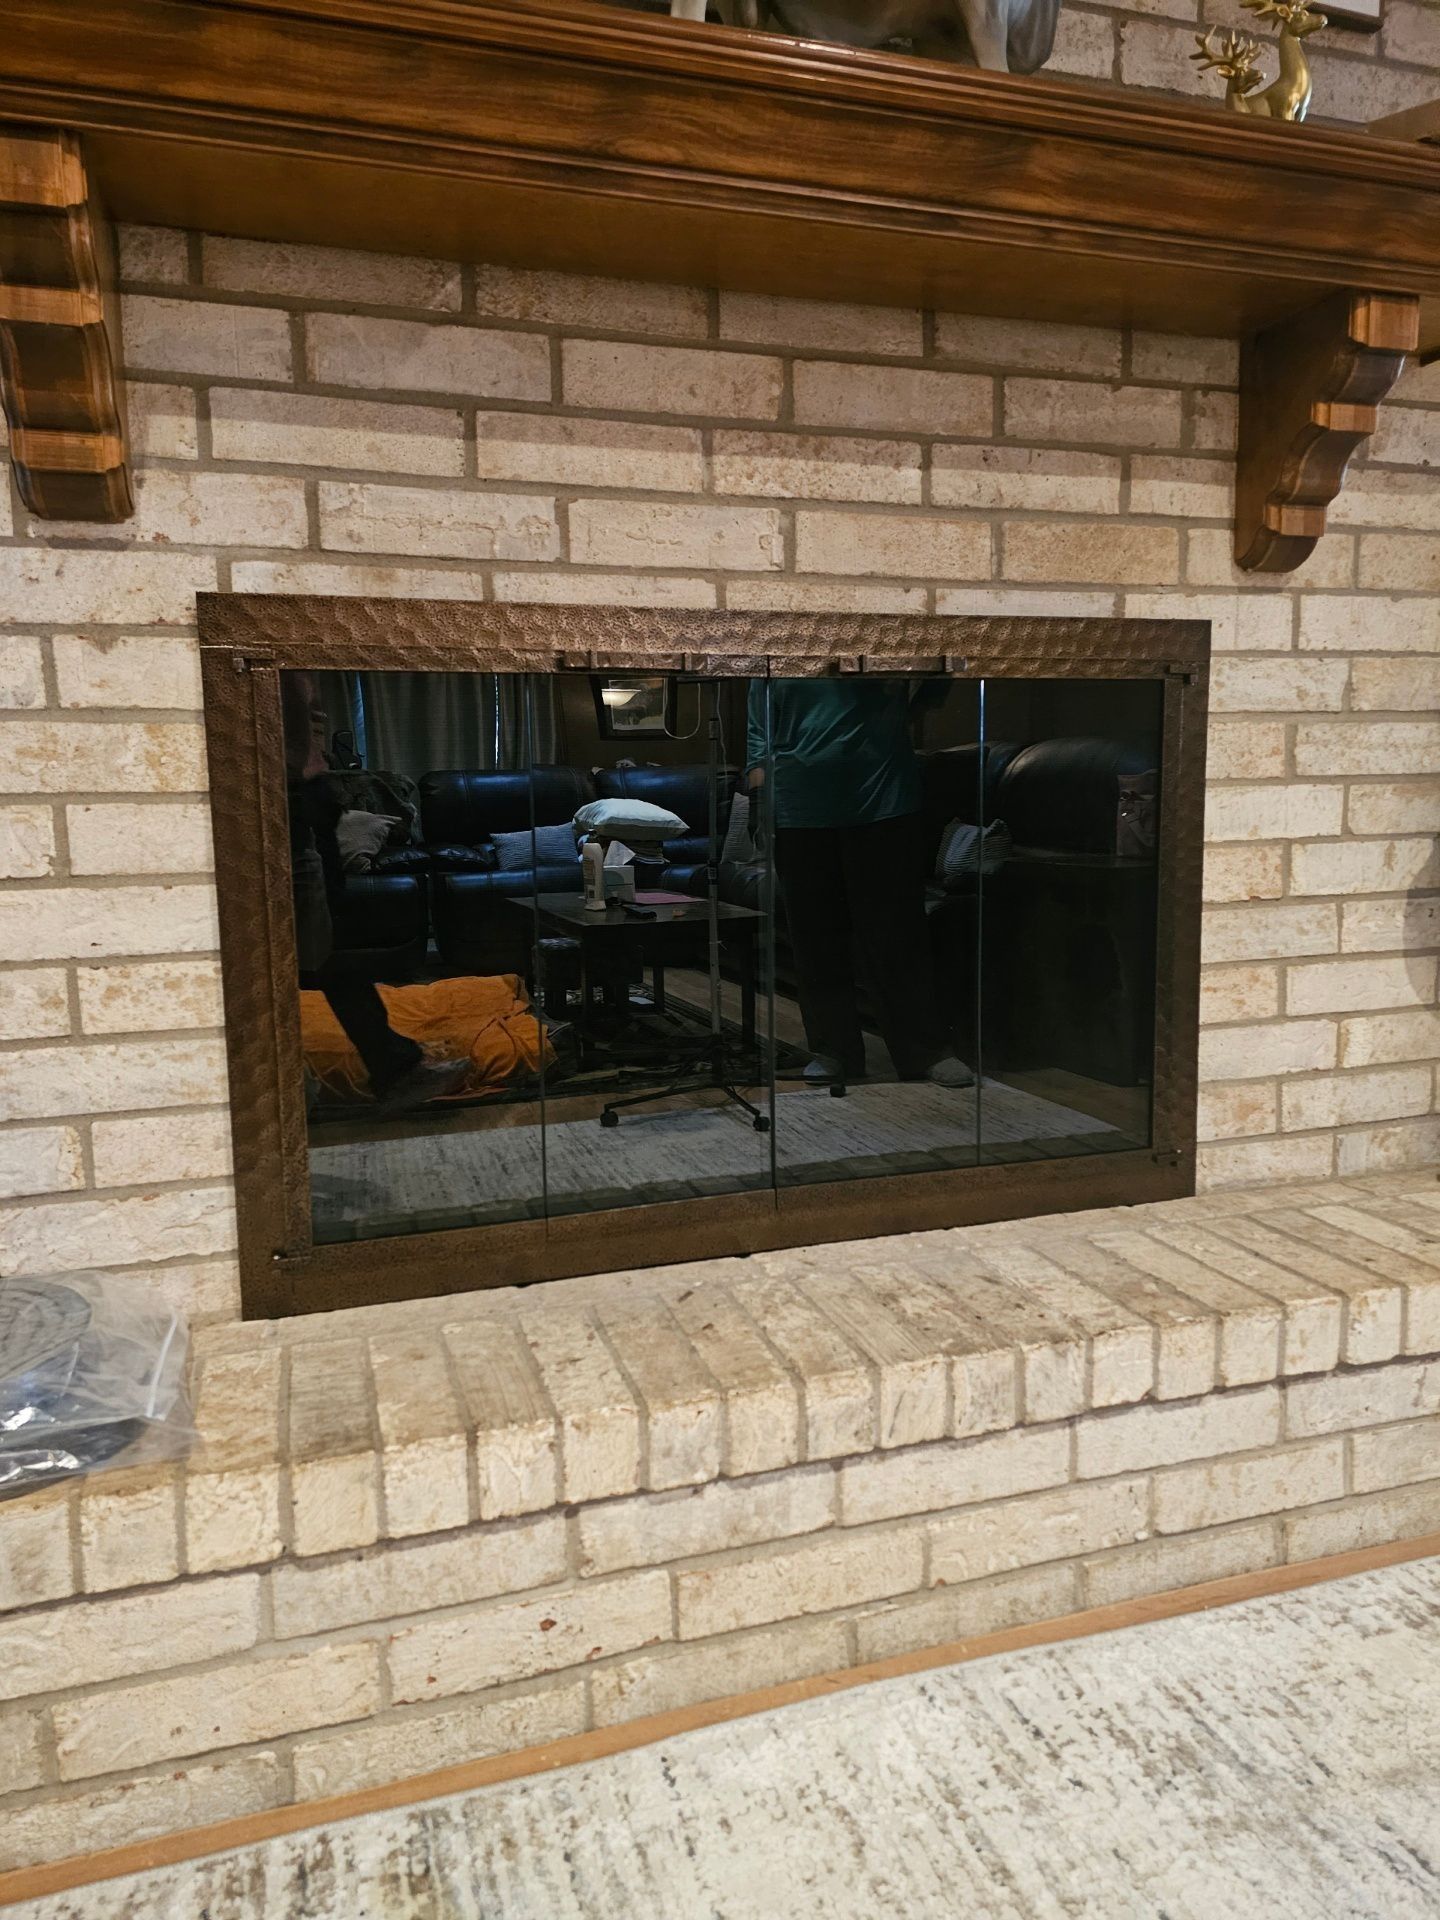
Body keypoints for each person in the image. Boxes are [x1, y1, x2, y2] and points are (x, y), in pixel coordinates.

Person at [747, 677, 973, 1089]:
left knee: (897, 936)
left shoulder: (874, 635)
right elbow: (758, 731)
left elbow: (941, 671)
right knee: (815, 939)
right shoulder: (778, 647)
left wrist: (904, 715)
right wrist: (761, 803)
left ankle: (925, 1051)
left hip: (883, 803)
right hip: (798, 810)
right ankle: (833, 1051)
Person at [282, 673, 468, 1115]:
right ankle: (379, 1070)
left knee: (330, 955)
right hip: (279, 806)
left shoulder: (297, 675)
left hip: (303, 806)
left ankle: (389, 1068)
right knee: (321, 958)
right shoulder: (266, 666)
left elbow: (307, 730)